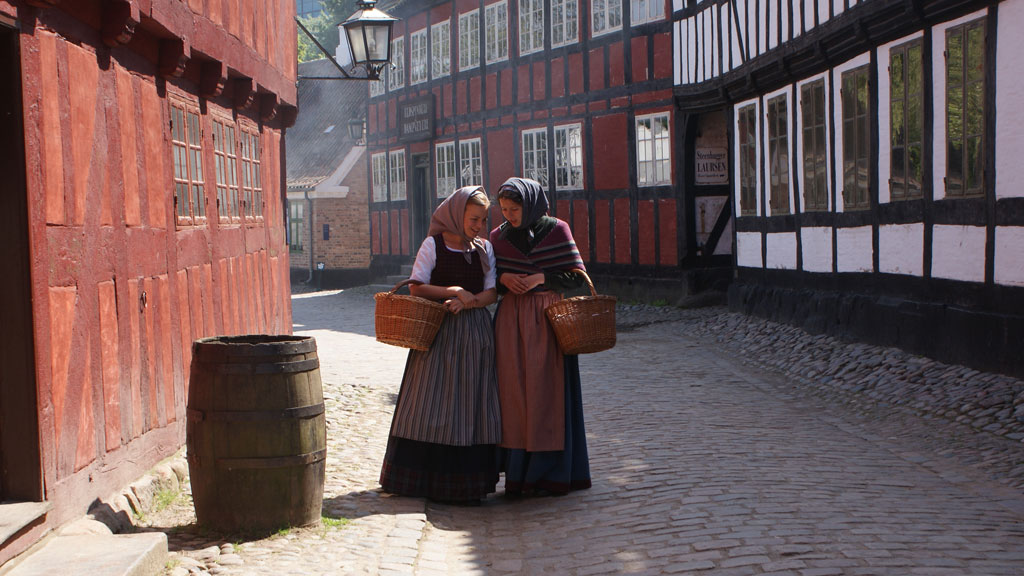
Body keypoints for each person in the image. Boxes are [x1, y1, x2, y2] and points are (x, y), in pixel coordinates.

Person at [379, 186, 501, 504]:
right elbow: (417, 288)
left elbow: (492, 292)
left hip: (475, 336)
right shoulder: (433, 245)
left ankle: (466, 483)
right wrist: (453, 290)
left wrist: (470, 302)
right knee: (429, 402)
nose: (478, 226)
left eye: (483, 220)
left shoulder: (484, 249)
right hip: (438, 333)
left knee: (471, 404)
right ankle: (421, 480)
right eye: (474, 219)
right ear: (456, 214)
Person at [489, 177, 591, 496]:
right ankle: (519, 474)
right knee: (514, 395)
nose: (509, 216)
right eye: (504, 209)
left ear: (530, 203)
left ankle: (551, 473)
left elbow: (579, 281)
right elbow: (488, 281)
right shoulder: (497, 236)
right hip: (510, 323)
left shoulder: (557, 230)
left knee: (548, 393)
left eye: (515, 209)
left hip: (549, 319)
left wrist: (542, 277)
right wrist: (504, 278)